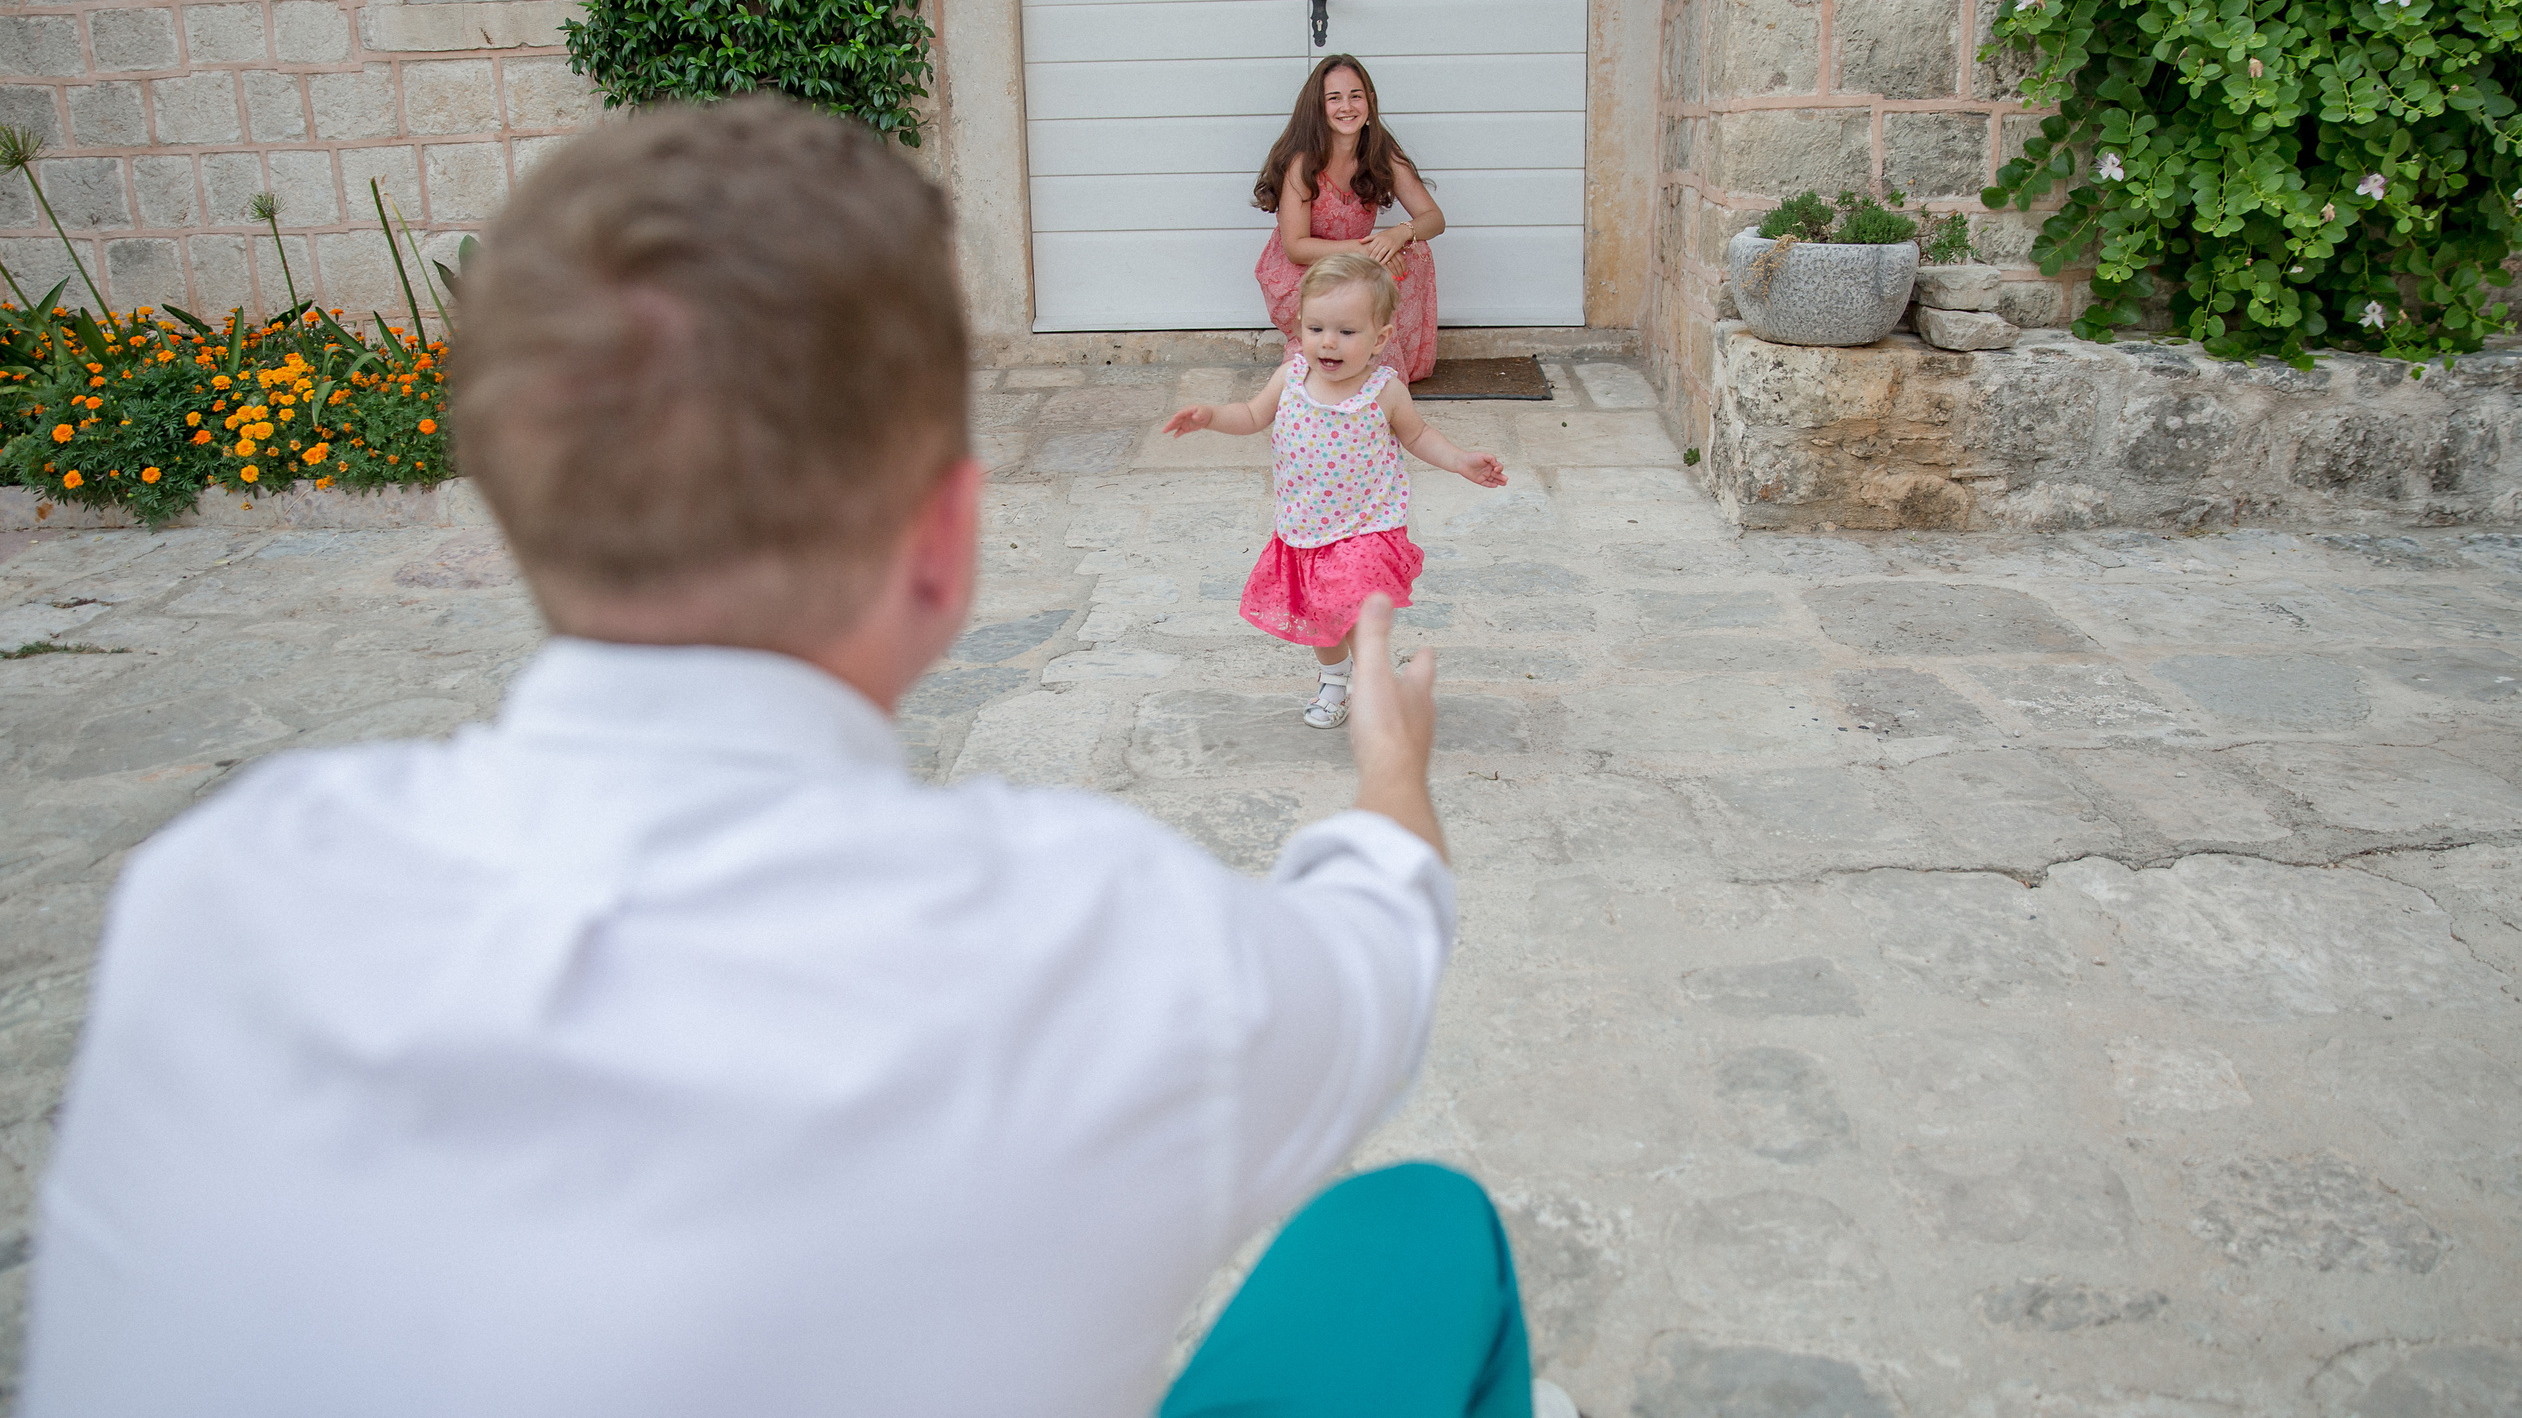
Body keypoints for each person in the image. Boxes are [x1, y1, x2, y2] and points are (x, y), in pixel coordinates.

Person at [20, 99, 1575, 1418]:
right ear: (947, 537)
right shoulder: (1078, 927)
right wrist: (1392, 763)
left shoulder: (208, 896)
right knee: (1422, 1230)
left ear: (516, 503)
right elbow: (1380, 935)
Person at [1164, 253, 1505, 730]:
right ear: (1300, 327)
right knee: (1323, 622)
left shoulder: (1384, 390)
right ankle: (1333, 678)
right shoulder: (1290, 379)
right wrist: (1212, 416)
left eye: (1347, 332)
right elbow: (1251, 415)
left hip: (1368, 526)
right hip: (1306, 531)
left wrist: (1460, 461)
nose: (1328, 342)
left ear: (1380, 339)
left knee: (1362, 607)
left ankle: (1373, 680)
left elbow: (1418, 435)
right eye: (1316, 328)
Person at [1253, 53, 1446, 383]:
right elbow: (1295, 248)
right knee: (1373, 276)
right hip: (1302, 273)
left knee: (1416, 252)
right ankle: (1319, 360)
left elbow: (1433, 218)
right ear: (1318, 106)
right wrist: (1368, 252)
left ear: (1369, 101)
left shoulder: (1380, 152)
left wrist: (1397, 235)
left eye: (1356, 96)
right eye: (1334, 98)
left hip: (1357, 267)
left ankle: (1384, 364)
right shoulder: (1304, 162)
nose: (1347, 106)